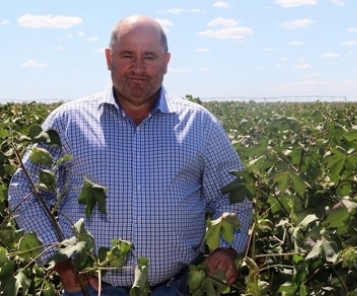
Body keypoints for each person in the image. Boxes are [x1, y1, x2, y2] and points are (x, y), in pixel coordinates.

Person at [8, 15, 253, 296]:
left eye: (149, 56)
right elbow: (25, 190)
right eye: (127, 55)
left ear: (166, 61)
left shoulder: (200, 124)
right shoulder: (67, 121)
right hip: (90, 290)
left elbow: (234, 193)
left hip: (178, 287)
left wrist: (227, 246)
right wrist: (58, 256)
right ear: (109, 58)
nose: (138, 67)